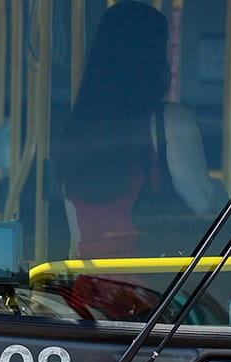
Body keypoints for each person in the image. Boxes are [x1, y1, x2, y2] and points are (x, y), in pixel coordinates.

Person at [55, 1, 219, 319]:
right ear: (150, 57)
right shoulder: (171, 121)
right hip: (157, 297)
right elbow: (202, 205)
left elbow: (77, 238)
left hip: (92, 298)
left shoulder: (75, 132)